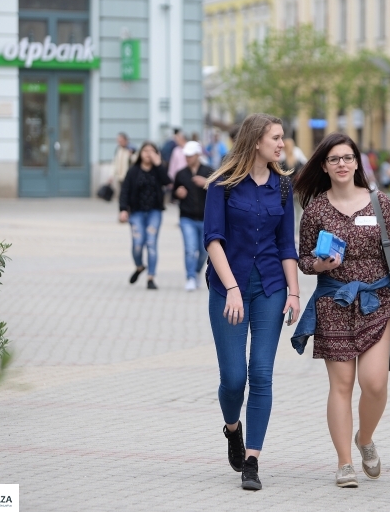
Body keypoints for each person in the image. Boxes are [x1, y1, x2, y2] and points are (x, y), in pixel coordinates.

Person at [292, 132, 390, 488]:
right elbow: (304, 258)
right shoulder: (316, 208)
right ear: (324, 166)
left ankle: (365, 438)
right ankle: (344, 463)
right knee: (342, 384)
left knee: (374, 383)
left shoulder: (379, 203)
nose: (342, 164)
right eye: (335, 159)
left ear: (357, 162)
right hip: (334, 302)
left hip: (377, 301)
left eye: (348, 157)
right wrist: (318, 266)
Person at [203, 113, 301, 491]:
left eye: (282, 137)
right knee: (233, 379)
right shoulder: (222, 184)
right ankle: (232, 429)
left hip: (271, 287)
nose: (282, 143)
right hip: (228, 287)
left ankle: (252, 460)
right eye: (276, 137)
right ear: (255, 141)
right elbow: (213, 239)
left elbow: (286, 245)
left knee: (261, 374)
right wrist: (230, 288)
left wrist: (293, 291)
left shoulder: (283, 186)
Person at [119, 142, 172, 290]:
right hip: (136, 213)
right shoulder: (133, 171)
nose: (148, 153)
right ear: (140, 153)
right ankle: (139, 266)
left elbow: (167, 182)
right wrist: (123, 209)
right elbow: (125, 191)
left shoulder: (158, 170)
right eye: (145, 150)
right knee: (137, 244)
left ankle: (151, 277)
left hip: (154, 212)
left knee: (151, 243)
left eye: (152, 151)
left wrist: (159, 163)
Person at [173, 143, 214, 291]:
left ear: (198, 155)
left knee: (204, 250)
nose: (188, 158)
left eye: (190, 155)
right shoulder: (181, 173)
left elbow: (220, 191)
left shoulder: (209, 171)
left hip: (205, 218)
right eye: (186, 156)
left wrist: (207, 183)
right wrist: (178, 193)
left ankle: (196, 272)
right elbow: (173, 194)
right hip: (187, 217)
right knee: (190, 249)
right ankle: (190, 277)